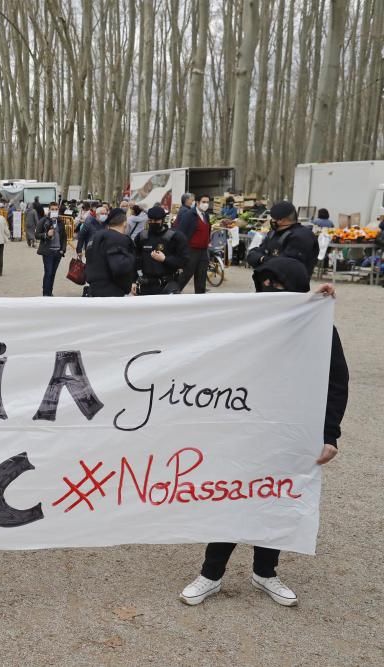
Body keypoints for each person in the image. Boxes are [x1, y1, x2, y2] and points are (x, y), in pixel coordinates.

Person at [180, 257, 348, 607]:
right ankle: (211, 574)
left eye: (278, 285)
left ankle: (265, 572)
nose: (269, 290)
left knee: (276, 497)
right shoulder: (250, 321)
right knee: (232, 494)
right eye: (265, 284)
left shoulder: (317, 328)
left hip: (289, 430)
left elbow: (336, 382)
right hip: (242, 427)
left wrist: (329, 434)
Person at [247, 200, 319, 278]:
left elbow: (285, 265)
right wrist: (263, 259)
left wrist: (262, 260)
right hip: (268, 284)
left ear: (281, 220)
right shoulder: (273, 233)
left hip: (290, 286)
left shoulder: (302, 236)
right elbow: (252, 255)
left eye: (273, 218)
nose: (271, 221)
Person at [133, 206, 189, 295]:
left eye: (156, 221)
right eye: (150, 220)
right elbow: (135, 259)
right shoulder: (142, 237)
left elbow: (184, 261)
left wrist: (165, 259)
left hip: (167, 285)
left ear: (163, 220)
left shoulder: (176, 237)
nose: (153, 223)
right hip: (145, 286)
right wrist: (133, 281)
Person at [83, 208, 136, 297]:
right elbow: (120, 268)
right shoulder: (119, 238)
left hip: (93, 289)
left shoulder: (95, 236)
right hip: (112, 292)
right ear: (124, 223)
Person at [174, 193, 211, 294]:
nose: (206, 204)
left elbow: (207, 230)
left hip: (203, 251)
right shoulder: (189, 215)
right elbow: (181, 233)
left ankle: (200, 299)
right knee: (185, 275)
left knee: (201, 278)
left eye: (207, 202)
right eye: (204, 202)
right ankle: (173, 293)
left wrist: (208, 242)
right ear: (197, 203)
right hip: (191, 251)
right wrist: (181, 251)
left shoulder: (206, 215)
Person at [36, 203, 67, 296]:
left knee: (53, 273)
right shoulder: (43, 220)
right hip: (48, 251)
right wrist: (46, 234)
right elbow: (37, 235)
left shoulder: (61, 221)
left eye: (56, 209)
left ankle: (50, 292)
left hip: (58, 252)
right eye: (52, 209)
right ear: (49, 210)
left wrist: (63, 249)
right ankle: (46, 293)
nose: (54, 211)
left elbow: (64, 237)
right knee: (48, 272)